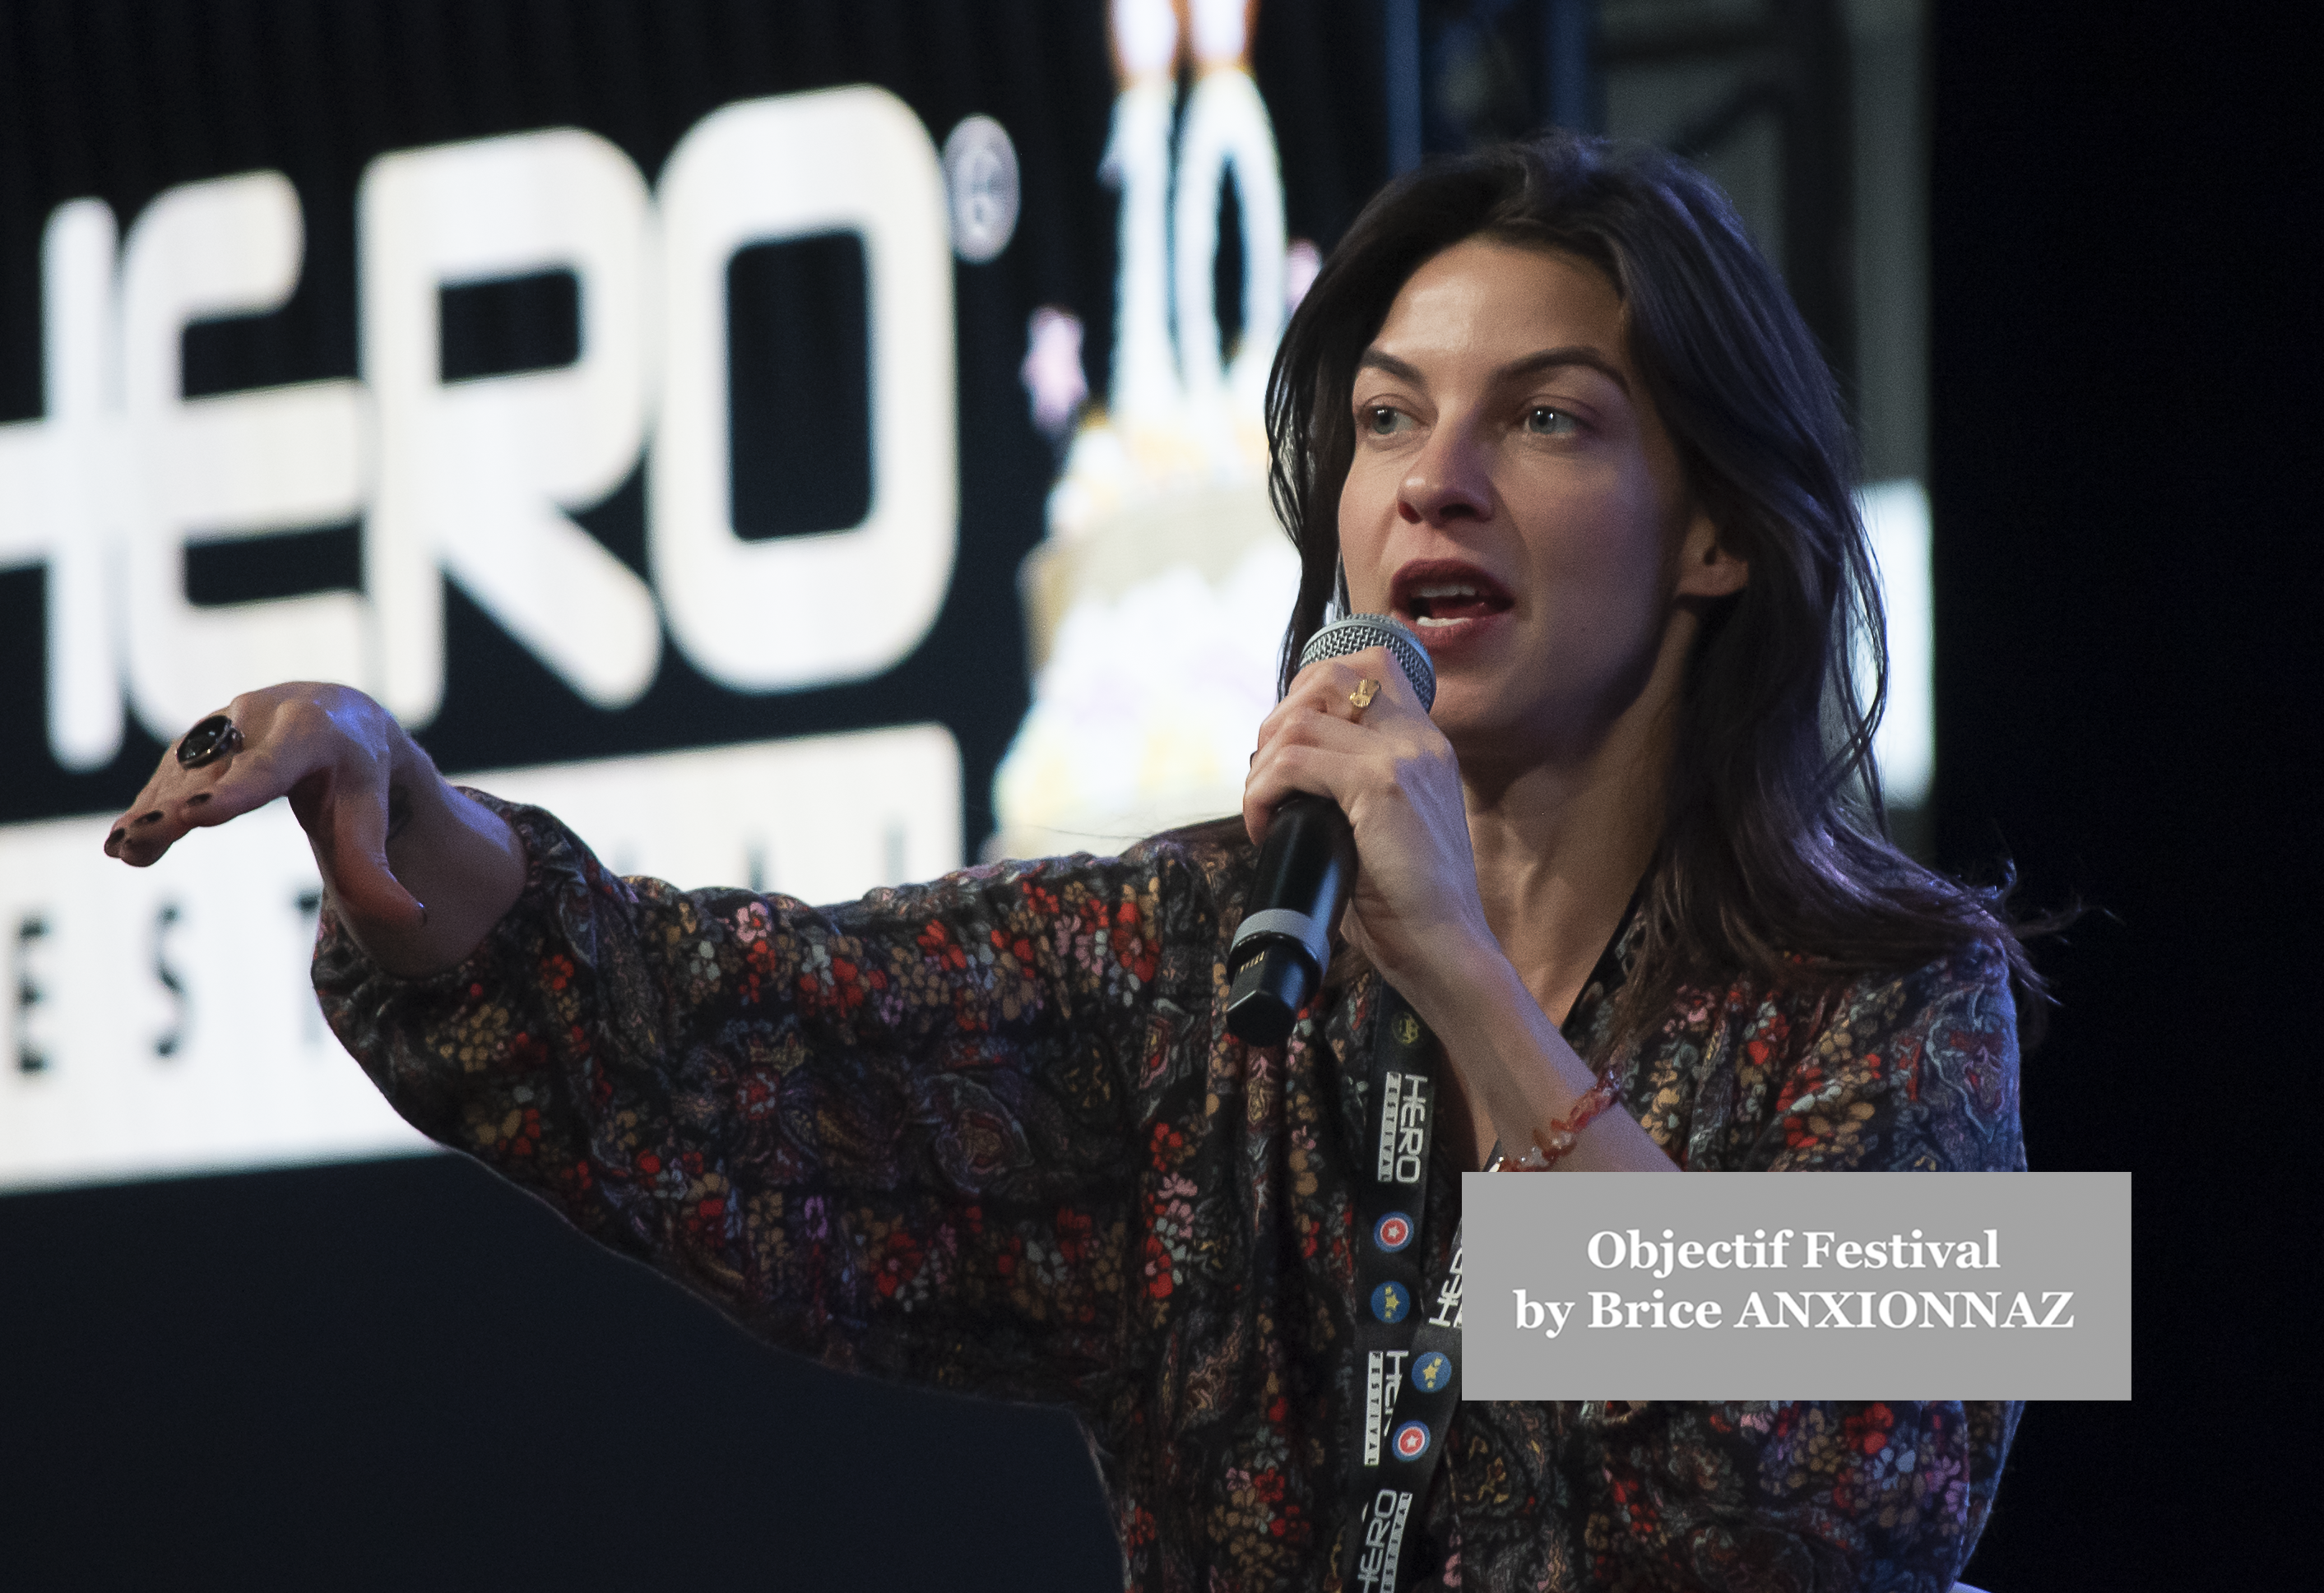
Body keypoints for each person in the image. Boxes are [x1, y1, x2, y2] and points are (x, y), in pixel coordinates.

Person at [104, 132, 2029, 1591]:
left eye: (1545, 417)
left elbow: (1848, 1489)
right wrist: (397, 800)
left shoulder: (1905, 988)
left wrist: (1464, 976)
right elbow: (729, 1026)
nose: (1432, 475)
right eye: (1382, 417)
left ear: (1715, 536)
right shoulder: (1197, 956)